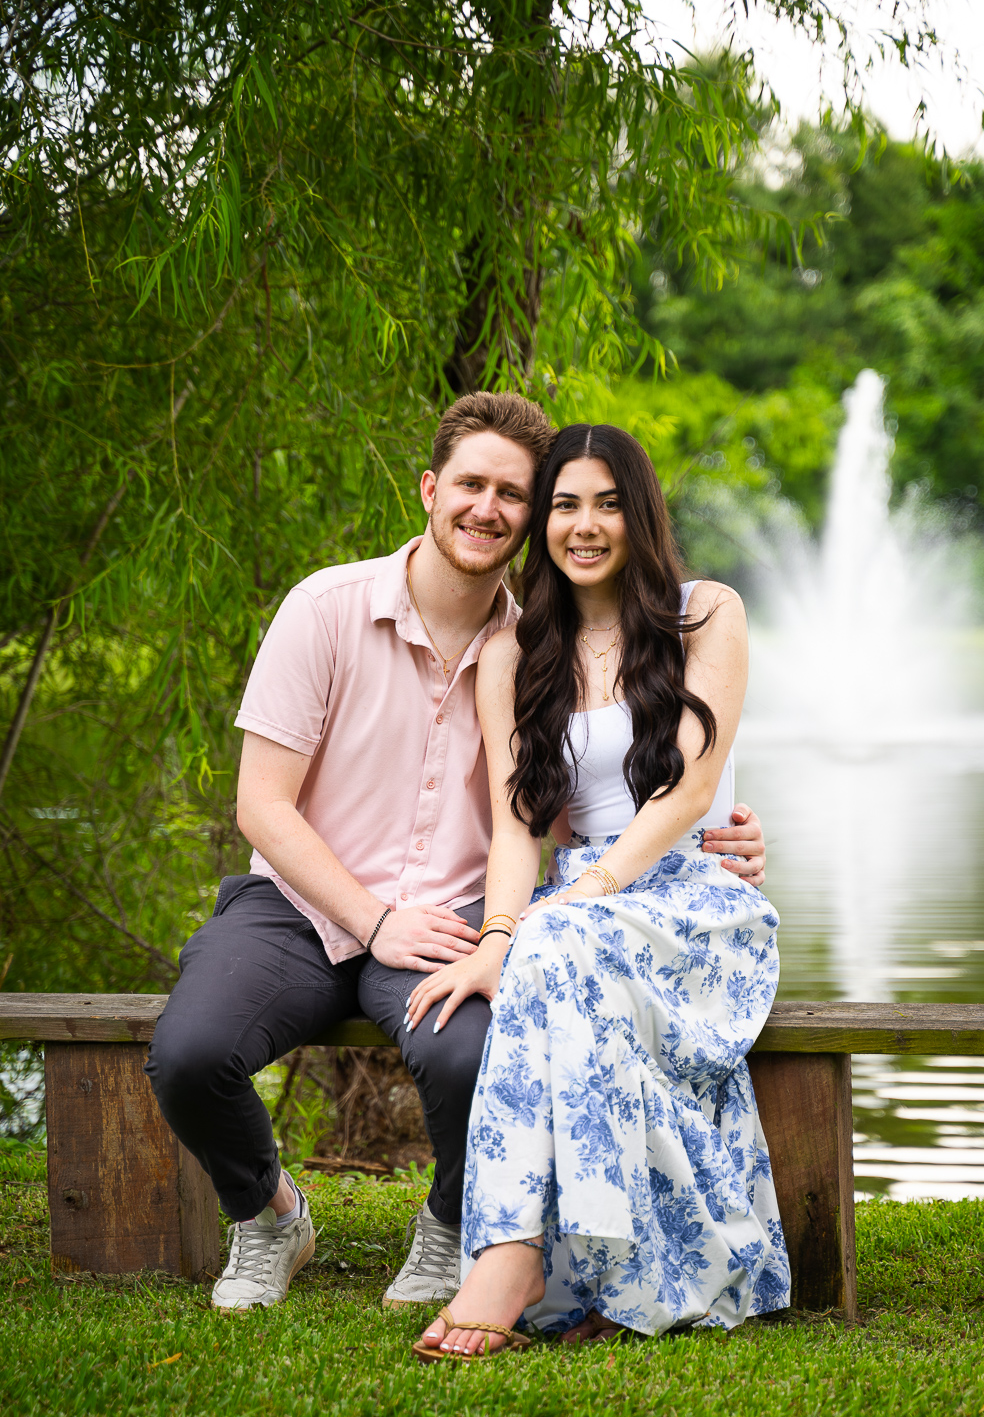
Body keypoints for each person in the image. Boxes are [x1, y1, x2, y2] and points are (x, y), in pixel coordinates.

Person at [145, 393, 770, 1314]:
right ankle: (271, 1215)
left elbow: (588, 804)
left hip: (468, 907)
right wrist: (378, 920)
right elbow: (259, 806)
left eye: (514, 493)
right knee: (192, 1053)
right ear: (431, 489)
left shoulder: (537, 638)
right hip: (308, 909)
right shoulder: (331, 609)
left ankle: (454, 1227)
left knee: (469, 1054)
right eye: (471, 484)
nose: (490, 508)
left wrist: (726, 836)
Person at [407, 422, 789, 1361]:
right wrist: (500, 933)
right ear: (543, 523)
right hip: (579, 909)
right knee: (549, 945)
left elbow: (695, 787)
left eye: (608, 504)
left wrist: (593, 892)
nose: (586, 525)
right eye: (566, 505)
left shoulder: (707, 613)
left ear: (640, 512)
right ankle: (527, 1251)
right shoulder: (514, 652)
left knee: (560, 939)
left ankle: (511, 1257)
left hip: (696, 898)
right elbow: (517, 826)